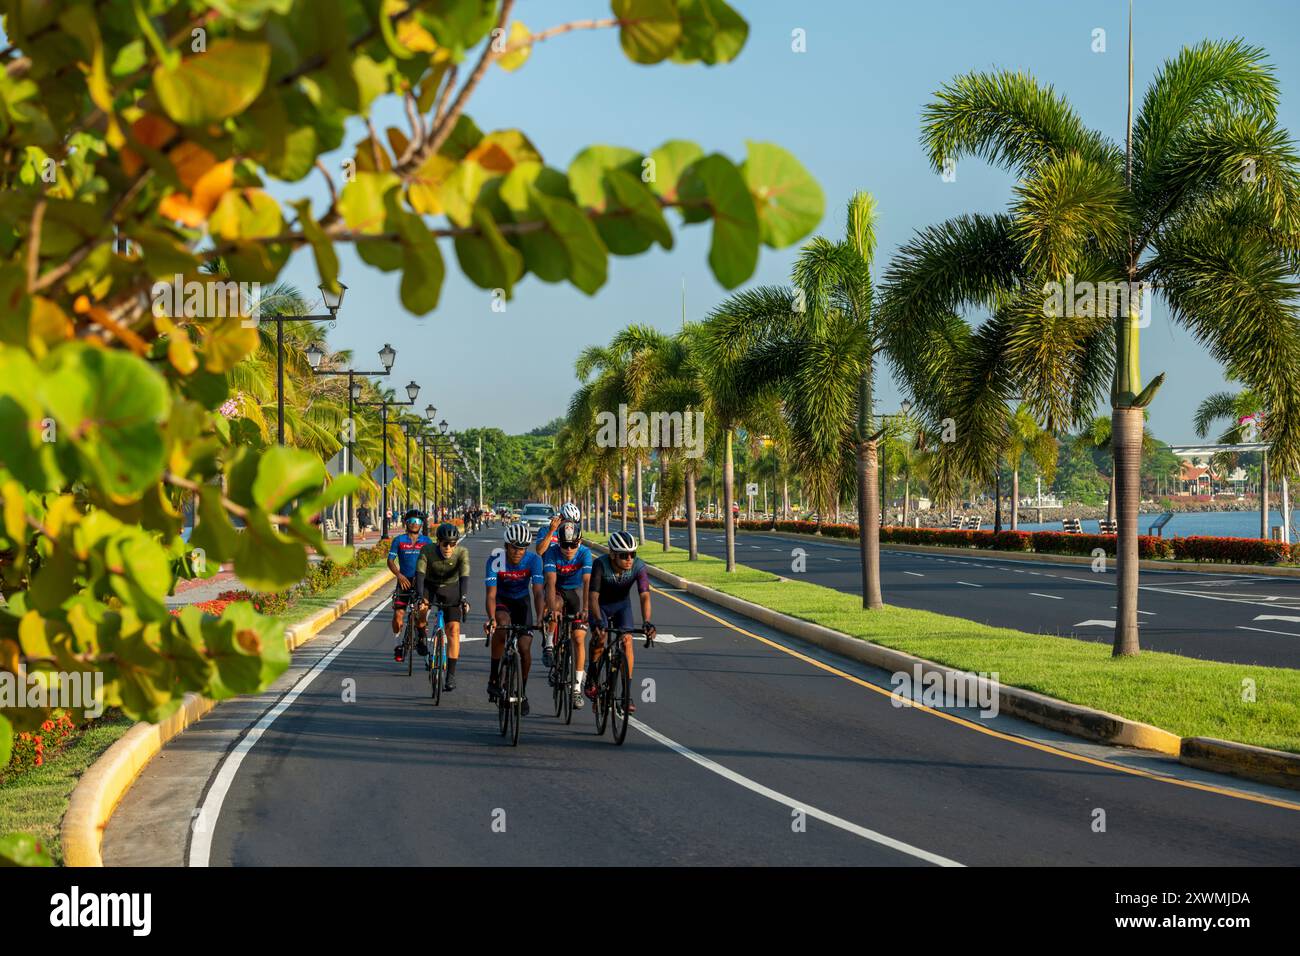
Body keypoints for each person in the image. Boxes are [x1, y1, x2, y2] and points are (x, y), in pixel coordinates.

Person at [586, 530, 655, 712]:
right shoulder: (600, 564)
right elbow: (592, 597)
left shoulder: (639, 567)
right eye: (624, 555)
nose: (629, 559)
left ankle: (626, 695)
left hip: (621, 606)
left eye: (633, 554)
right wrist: (599, 622)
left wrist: (647, 621)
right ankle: (592, 674)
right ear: (613, 554)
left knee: (627, 641)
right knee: (600, 638)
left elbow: (644, 596)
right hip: (600, 606)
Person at [484, 522, 545, 714]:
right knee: (502, 624)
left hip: (522, 602)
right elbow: (491, 595)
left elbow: (537, 593)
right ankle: (494, 677)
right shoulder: (496, 559)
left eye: (522, 548)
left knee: (525, 647)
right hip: (502, 599)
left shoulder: (534, 560)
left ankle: (522, 692)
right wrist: (491, 618)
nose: (518, 552)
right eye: (514, 547)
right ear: (506, 546)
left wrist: (541, 617)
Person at [411, 522, 472, 691]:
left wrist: (464, 598)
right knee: (421, 609)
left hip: (451, 589)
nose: (448, 547)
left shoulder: (462, 552)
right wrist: (420, 596)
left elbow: (465, 576)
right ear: (438, 542)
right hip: (430, 587)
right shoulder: (427, 550)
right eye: (445, 543)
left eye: (452, 543)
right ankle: (421, 634)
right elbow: (420, 574)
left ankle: (451, 675)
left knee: (453, 630)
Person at [542, 520, 593, 708]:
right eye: (565, 545)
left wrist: (586, 609)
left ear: (579, 542)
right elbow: (551, 581)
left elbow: (587, 583)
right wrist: (553, 610)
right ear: (559, 543)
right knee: (554, 605)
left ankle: (577, 689)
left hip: (577, 591)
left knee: (579, 637)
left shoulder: (585, 554)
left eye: (573, 545)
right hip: (558, 590)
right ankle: (549, 643)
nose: (569, 549)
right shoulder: (552, 553)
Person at [387, 510, 432, 661]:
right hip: (404, 582)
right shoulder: (399, 540)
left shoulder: (427, 541)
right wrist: (399, 576)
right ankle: (398, 644)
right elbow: (390, 561)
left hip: (421, 582)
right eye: (412, 520)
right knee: (398, 616)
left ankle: (421, 637)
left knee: (422, 612)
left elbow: (432, 561)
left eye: (418, 521)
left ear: (422, 525)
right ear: (406, 522)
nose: (415, 523)